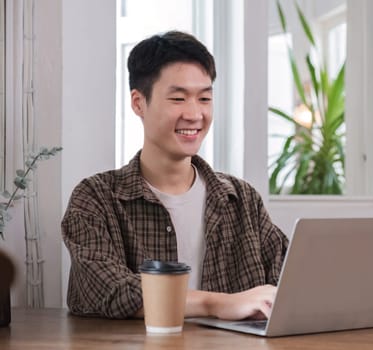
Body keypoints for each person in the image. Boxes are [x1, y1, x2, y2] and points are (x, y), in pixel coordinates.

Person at [62, 30, 289, 320]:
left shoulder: (241, 199)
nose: (195, 114)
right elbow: (111, 291)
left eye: (205, 98)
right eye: (179, 98)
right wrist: (219, 304)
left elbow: (291, 282)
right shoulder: (96, 198)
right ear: (138, 103)